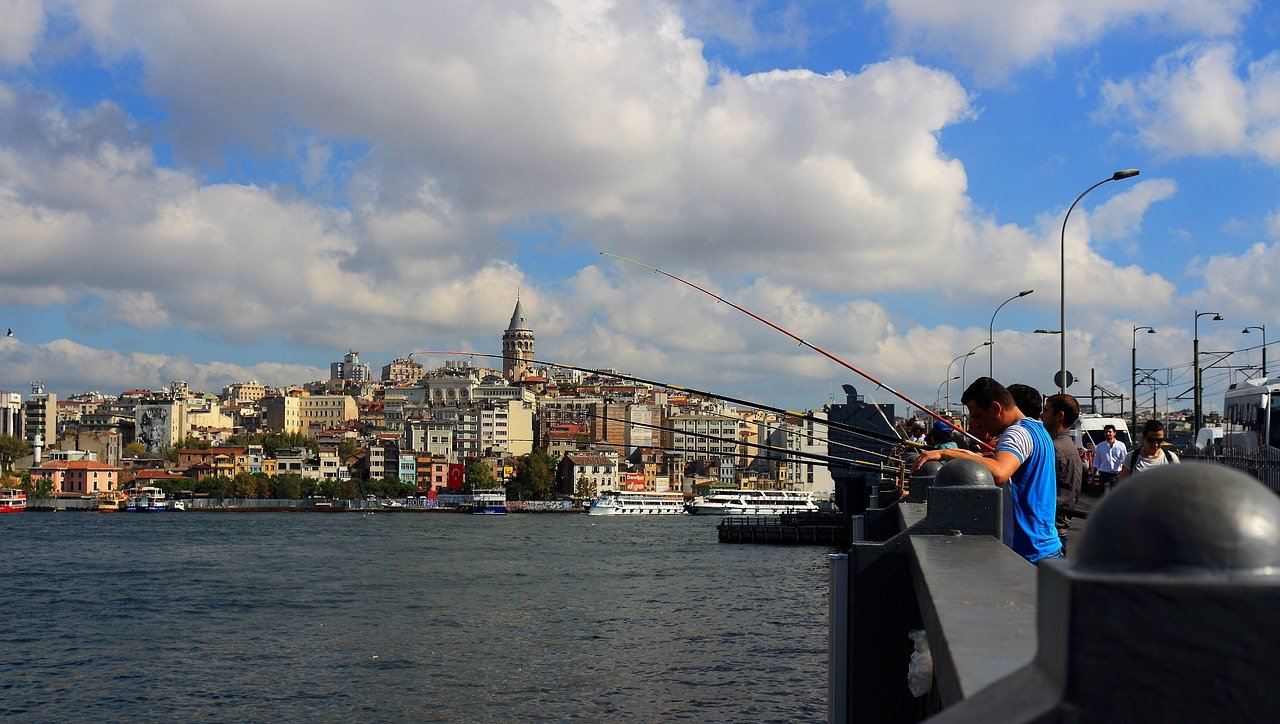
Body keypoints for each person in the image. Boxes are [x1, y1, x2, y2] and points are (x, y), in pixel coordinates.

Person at [912, 377, 1062, 563]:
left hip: (1028, 553)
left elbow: (1000, 471)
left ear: (996, 408)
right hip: (1047, 550)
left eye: (978, 416)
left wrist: (947, 454)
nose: (978, 423)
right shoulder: (1037, 429)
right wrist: (964, 454)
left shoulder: (1016, 434)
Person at [1040, 393, 1083, 545]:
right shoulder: (1067, 445)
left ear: (1059, 416)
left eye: (1045, 410)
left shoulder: (1054, 448)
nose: (1041, 415)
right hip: (1058, 527)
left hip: (1049, 529)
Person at [1091, 424, 1127, 494]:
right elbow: (1097, 463)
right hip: (1104, 475)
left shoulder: (1121, 445)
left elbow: (1124, 461)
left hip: (1117, 475)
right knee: (1105, 495)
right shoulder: (1100, 446)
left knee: (1116, 496)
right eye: (1106, 432)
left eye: (1110, 432)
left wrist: (1126, 475)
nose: (1108, 434)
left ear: (1114, 433)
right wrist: (1093, 477)